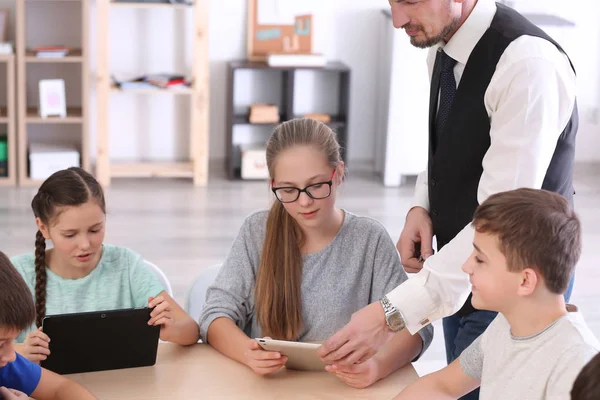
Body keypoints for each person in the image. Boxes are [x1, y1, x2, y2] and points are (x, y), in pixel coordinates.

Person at [318, 2, 578, 398]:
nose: (398, 20)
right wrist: (421, 205)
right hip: (467, 269)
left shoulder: (527, 66)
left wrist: (390, 314)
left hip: (516, 283)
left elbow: (501, 223)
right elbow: (452, 140)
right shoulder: (443, 45)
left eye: (409, 1)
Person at [199, 118, 433, 388]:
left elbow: (417, 327)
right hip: (267, 388)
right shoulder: (256, 231)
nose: (304, 201)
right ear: (273, 184)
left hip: (344, 390)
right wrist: (245, 353)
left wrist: (377, 366)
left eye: (316, 185)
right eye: (288, 190)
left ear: (339, 173)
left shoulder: (369, 239)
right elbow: (215, 314)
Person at [394, 188, 599, 400]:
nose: (466, 266)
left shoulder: (576, 364)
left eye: (480, 259)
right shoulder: (506, 325)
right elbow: (442, 385)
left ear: (525, 281)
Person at [12, 167, 199, 363]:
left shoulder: (126, 265)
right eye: (70, 235)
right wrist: (18, 352)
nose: (85, 244)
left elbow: (191, 329)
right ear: (43, 228)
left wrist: (171, 330)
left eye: (95, 230)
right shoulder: (18, 274)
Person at [0, 251, 96, 399]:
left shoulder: (5, 365)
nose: (12, 356)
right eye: (1, 344)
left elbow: (61, 388)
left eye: (12, 340)